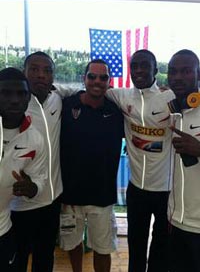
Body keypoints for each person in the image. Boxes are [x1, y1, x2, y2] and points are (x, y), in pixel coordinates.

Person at [106, 49, 173, 272]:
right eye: (134, 66)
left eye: (144, 65)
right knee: (135, 246)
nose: (139, 70)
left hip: (165, 190)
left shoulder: (170, 98)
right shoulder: (121, 96)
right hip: (136, 189)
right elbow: (92, 90)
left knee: (161, 249)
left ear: (156, 69)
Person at [10, 51, 75, 272]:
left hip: (52, 198)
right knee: (17, 260)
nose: (41, 75)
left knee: (45, 258)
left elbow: (84, 90)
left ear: (53, 77)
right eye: (34, 70)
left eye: (47, 71)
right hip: (18, 205)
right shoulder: (14, 105)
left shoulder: (57, 97)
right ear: (24, 73)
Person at [59, 59, 124, 272]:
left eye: (103, 77)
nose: (97, 81)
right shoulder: (67, 105)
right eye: (92, 76)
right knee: (73, 243)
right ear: (83, 79)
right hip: (70, 194)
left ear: (109, 81)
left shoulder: (116, 112)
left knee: (103, 249)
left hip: (102, 196)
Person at [0, 67, 47, 271]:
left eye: (21, 94)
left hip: (2, 229)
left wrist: (31, 188)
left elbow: (39, 179)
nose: (14, 100)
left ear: (29, 98)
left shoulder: (34, 139)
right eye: (6, 93)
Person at [167, 49, 200, 272]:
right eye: (173, 72)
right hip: (176, 221)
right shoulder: (174, 112)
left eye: (186, 71)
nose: (178, 77)